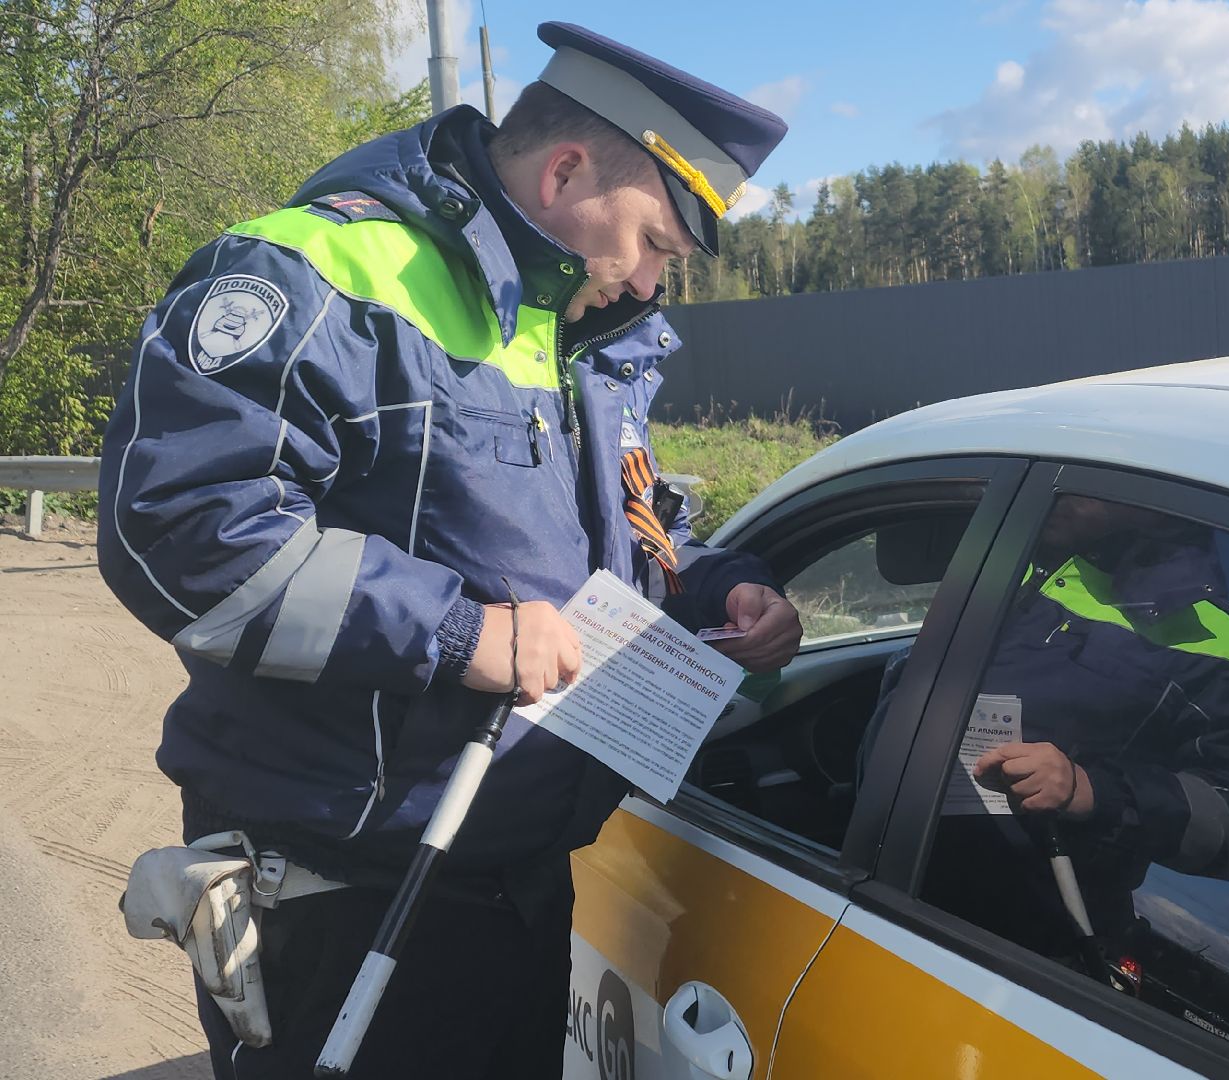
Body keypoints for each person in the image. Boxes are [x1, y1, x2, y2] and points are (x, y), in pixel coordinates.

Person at [96, 23, 800, 1079]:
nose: (655, 284)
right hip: (347, 893)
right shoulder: (317, 271)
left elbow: (620, 542)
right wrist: (461, 631)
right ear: (566, 171)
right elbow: (180, 530)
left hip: (516, 873)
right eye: (656, 243)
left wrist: (724, 586)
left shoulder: (583, 333)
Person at [917, 495, 1229, 961]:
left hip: (999, 946)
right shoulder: (1003, 548)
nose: (1065, 489)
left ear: (1155, 504)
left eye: (1088, 483)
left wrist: (1092, 791)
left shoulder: (1227, 650)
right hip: (876, 866)